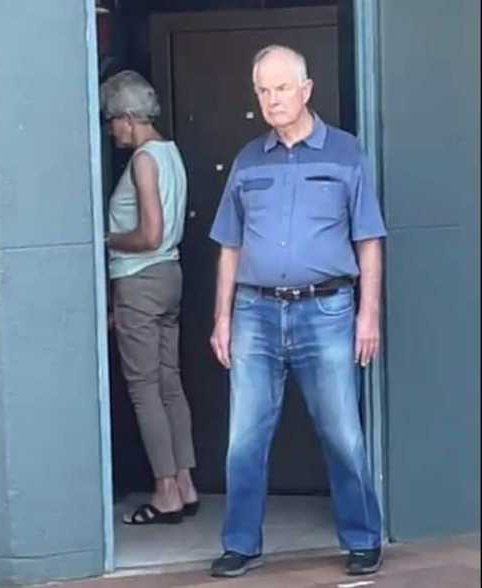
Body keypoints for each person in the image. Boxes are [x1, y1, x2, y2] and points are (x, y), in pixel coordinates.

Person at [207, 45, 385, 578]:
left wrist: (368, 314)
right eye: (263, 90)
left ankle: (363, 539)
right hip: (254, 314)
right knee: (244, 438)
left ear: (306, 90)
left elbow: (369, 239)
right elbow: (230, 245)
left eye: (282, 88)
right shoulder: (247, 160)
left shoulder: (346, 153)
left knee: (342, 433)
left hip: (327, 311)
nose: (272, 99)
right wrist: (221, 318)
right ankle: (241, 544)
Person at [101, 70, 199, 525]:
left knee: (144, 390)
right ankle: (185, 483)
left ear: (127, 117)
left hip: (139, 280)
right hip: (170, 277)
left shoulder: (143, 160)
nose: (111, 130)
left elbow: (149, 234)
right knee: (169, 383)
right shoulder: (170, 153)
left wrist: (105, 239)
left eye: (111, 120)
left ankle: (165, 492)